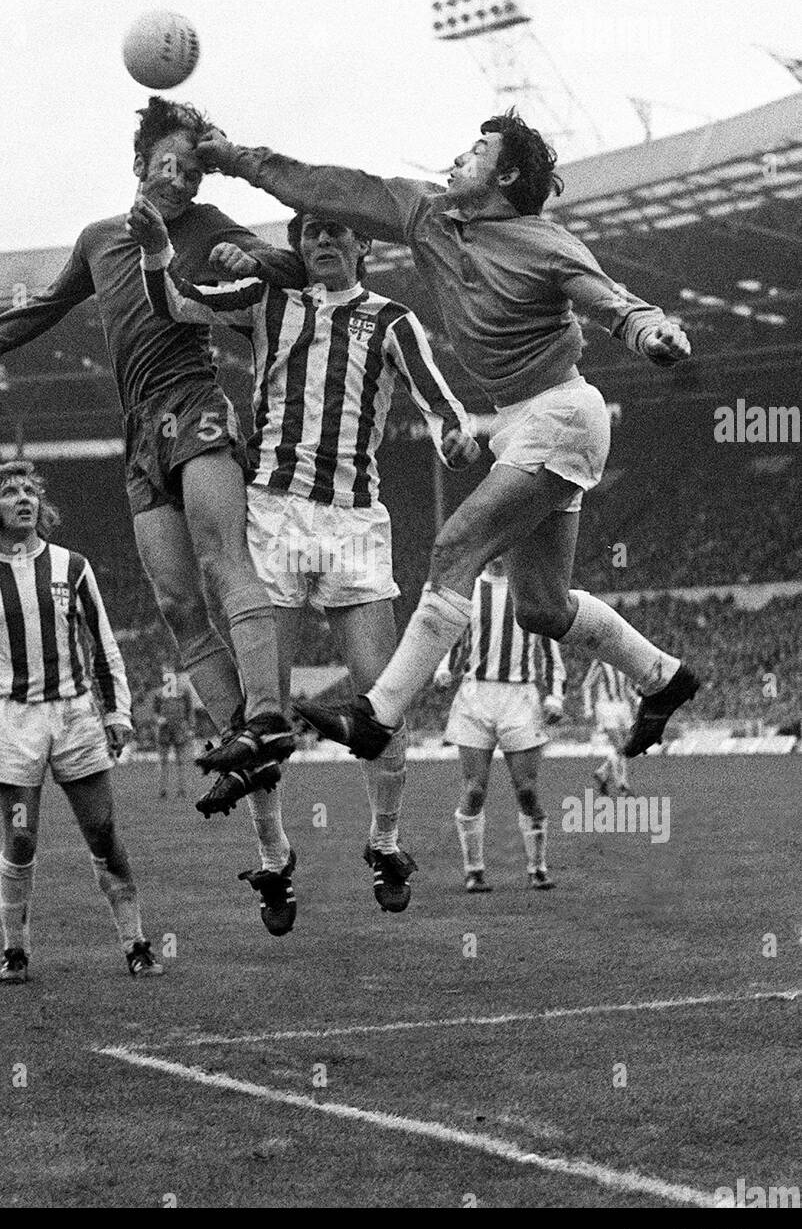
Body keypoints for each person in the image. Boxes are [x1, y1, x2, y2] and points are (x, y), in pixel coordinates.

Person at [195, 111, 698, 762]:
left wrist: (650, 333)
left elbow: (611, 302)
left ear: (508, 174)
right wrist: (236, 157)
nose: (459, 157)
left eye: (478, 150)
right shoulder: (423, 214)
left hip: (563, 412)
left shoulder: (543, 242)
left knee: (455, 548)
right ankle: (664, 678)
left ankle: (375, 715)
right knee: (540, 608)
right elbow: (329, 188)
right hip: (519, 422)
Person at [0, 98, 305, 818]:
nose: (182, 179)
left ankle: (268, 717)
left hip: (196, 402)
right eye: (169, 163)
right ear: (140, 165)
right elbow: (45, 306)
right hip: (138, 432)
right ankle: (241, 736)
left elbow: (290, 266)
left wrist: (252, 256)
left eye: (195, 169)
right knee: (175, 602)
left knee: (219, 559)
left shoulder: (207, 228)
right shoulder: (100, 238)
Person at [128, 197, 479, 930]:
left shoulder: (390, 319)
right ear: (296, 245)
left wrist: (453, 434)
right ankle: (275, 856)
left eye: (336, 229)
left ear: (360, 246)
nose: (323, 238)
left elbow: (438, 397)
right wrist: (159, 247)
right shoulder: (268, 300)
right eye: (310, 230)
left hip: (353, 523)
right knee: (266, 712)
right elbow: (175, 304)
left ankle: (384, 842)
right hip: (274, 516)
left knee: (385, 699)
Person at [0, 460, 164, 983]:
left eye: (29, 490)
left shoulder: (72, 566)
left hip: (74, 717)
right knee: (21, 839)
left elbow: (102, 642)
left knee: (104, 832)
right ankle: (15, 952)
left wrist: (117, 713)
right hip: (12, 723)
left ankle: (136, 943)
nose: (22, 498)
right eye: (9, 492)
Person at [433, 556, 565, 892]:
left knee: (527, 791)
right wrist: (445, 668)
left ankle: (537, 868)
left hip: (520, 699)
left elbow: (551, 650)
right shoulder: (470, 591)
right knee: (474, 790)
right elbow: (455, 638)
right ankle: (474, 871)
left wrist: (556, 695)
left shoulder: (531, 592)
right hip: (475, 696)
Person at [582, 658, 635, 795]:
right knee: (620, 745)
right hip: (606, 707)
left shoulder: (626, 660)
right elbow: (587, 685)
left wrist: (637, 699)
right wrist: (588, 708)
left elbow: (627, 687)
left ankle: (602, 772)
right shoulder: (601, 661)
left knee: (627, 746)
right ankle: (622, 784)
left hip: (624, 707)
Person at [151, 669, 198, 798]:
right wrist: (158, 719)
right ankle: (162, 790)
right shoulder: (159, 693)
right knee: (163, 761)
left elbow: (190, 711)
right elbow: (155, 712)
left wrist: (190, 728)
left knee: (181, 761)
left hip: (180, 729)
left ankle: (182, 790)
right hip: (164, 730)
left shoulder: (184, 691)